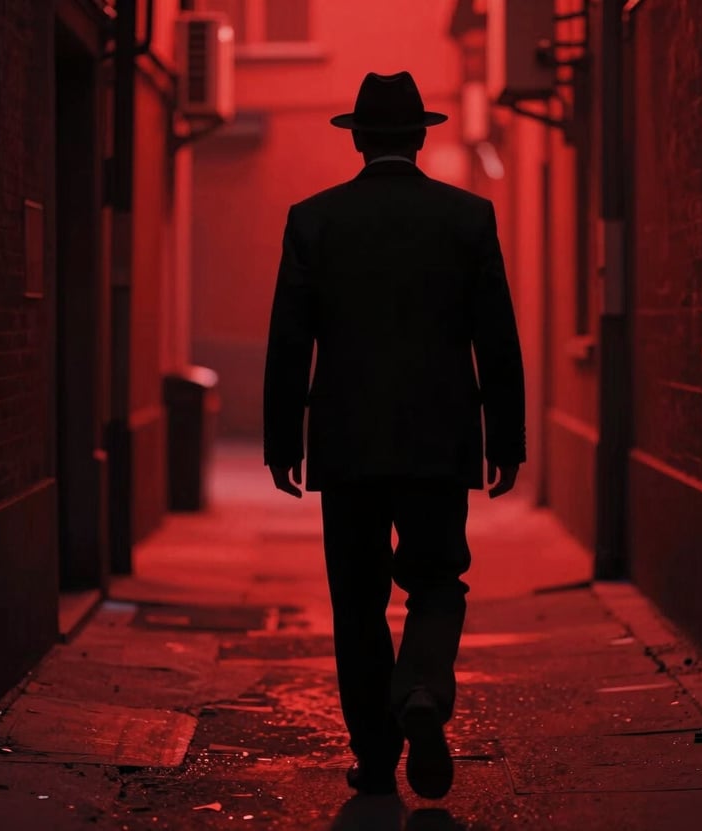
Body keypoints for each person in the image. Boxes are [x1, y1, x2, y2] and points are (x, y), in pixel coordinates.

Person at [263, 71, 525, 800]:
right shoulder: (468, 218)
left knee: (357, 599)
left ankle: (376, 757)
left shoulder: (314, 220)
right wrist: (505, 436)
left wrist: (284, 440)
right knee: (438, 579)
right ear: (419, 137)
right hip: (440, 439)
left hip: (347, 444)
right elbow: (495, 336)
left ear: (359, 138)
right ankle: (422, 691)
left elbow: (290, 340)